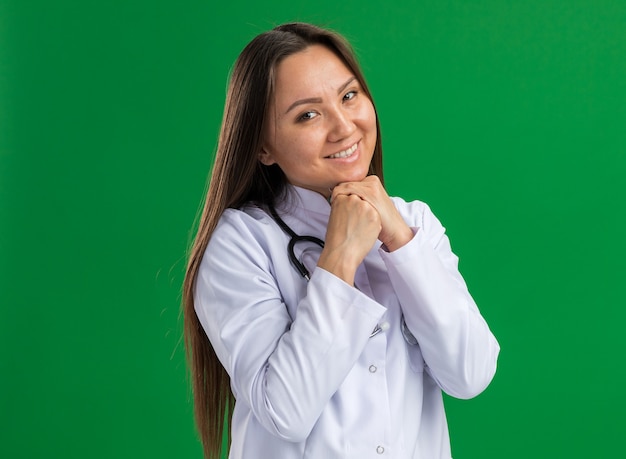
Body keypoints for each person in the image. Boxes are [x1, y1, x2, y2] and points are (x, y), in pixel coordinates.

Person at [183, 22, 500, 459]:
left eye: (349, 96)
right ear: (262, 148)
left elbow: (471, 374)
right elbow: (284, 412)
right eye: (307, 114)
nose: (343, 126)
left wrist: (402, 245)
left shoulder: (415, 224)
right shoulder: (240, 244)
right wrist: (342, 255)